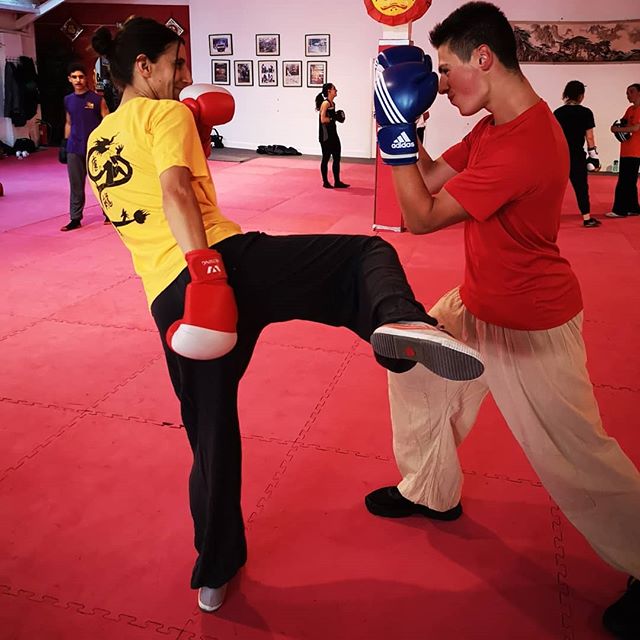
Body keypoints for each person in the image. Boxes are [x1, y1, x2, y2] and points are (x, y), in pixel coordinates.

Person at [87, 17, 484, 614]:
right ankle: (400, 318)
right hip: (221, 267)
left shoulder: (99, 140)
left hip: (169, 307)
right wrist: (208, 269)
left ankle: (213, 570)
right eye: (176, 62)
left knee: (209, 437)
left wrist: (191, 126)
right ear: (144, 67)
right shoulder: (165, 116)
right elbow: (172, 189)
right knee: (363, 254)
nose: (186, 75)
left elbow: (144, 197)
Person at [367, 3, 640, 639]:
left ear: (482, 58)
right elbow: (428, 178)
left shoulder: (527, 143)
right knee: (413, 373)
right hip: (475, 302)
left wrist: (395, 131)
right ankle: (429, 488)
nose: (439, 83)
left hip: (528, 322)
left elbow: (421, 216)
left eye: (444, 69)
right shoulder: (492, 127)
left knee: (578, 460)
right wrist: (403, 128)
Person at [60, 63, 109, 232]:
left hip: (95, 148)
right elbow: (68, 122)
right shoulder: (68, 100)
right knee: (76, 185)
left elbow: (107, 121)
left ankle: (109, 214)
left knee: (102, 183)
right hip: (74, 147)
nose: (78, 80)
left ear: (86, 78)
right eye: (74, 77)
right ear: (69, 79)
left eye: (81, 76)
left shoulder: (97, 99)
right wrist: (64, 144)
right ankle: (75, 218)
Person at [553, 80, 602, 227]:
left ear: (566, 94)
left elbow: (554, 136)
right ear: (581, 95)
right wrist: (594, 158)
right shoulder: (586, 112)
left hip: (560, 156)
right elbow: (590, 137)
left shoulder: (558, 112)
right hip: (577, 156)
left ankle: (550, 219)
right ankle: (587, 218)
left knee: (556, 189)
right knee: (581, 187)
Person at [606, 83, 640, 218]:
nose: (628, 95)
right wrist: (616, 127)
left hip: (636, 151)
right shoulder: (630, 109)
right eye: (627, 93)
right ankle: (634, 208)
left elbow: (636, 128)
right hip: (626, 149)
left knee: (625, 181)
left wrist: (617, 130)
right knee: (630, 181)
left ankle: (620, 210)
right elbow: (623, 122)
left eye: (631, 92)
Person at [315, 83, 349, 189]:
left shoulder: (332, 103)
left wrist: (335, 117)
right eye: (334, 89)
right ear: (329, 91)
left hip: (333, 134)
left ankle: (337, 181)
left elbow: (331, 118)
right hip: (325, 136)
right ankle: (325, 182)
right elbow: (323, 119)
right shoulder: (325, 103)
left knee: (337, 157)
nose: (336, 90)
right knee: (325, 158)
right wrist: (333, 118)